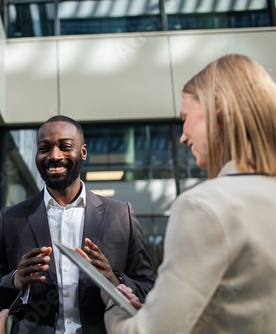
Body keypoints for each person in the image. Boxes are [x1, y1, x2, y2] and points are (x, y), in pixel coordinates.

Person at [104, 54, 276, 333]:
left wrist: (114, 307)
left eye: (185, 118)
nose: (182, 137)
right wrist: (161, 310)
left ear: (217, 107)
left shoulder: (204, 206)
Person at [0, 115, 155, 333]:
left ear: (82, 152)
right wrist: (15, 280)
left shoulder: (122, 215)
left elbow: (149, 289)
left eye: (65, 147)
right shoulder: (10, 219)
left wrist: (114, 280)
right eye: (44, 148)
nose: (54, 156)